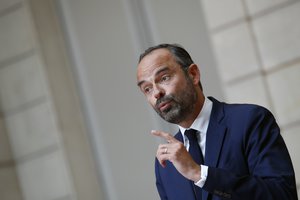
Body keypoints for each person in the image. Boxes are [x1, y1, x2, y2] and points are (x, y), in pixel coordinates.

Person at [136, 43, 298, 200]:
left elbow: (282, 195)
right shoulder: (165, 165)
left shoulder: (250, 120)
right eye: (147, 89)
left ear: (193, 74)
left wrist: (199, 173)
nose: (156, 93)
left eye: (164, 78)